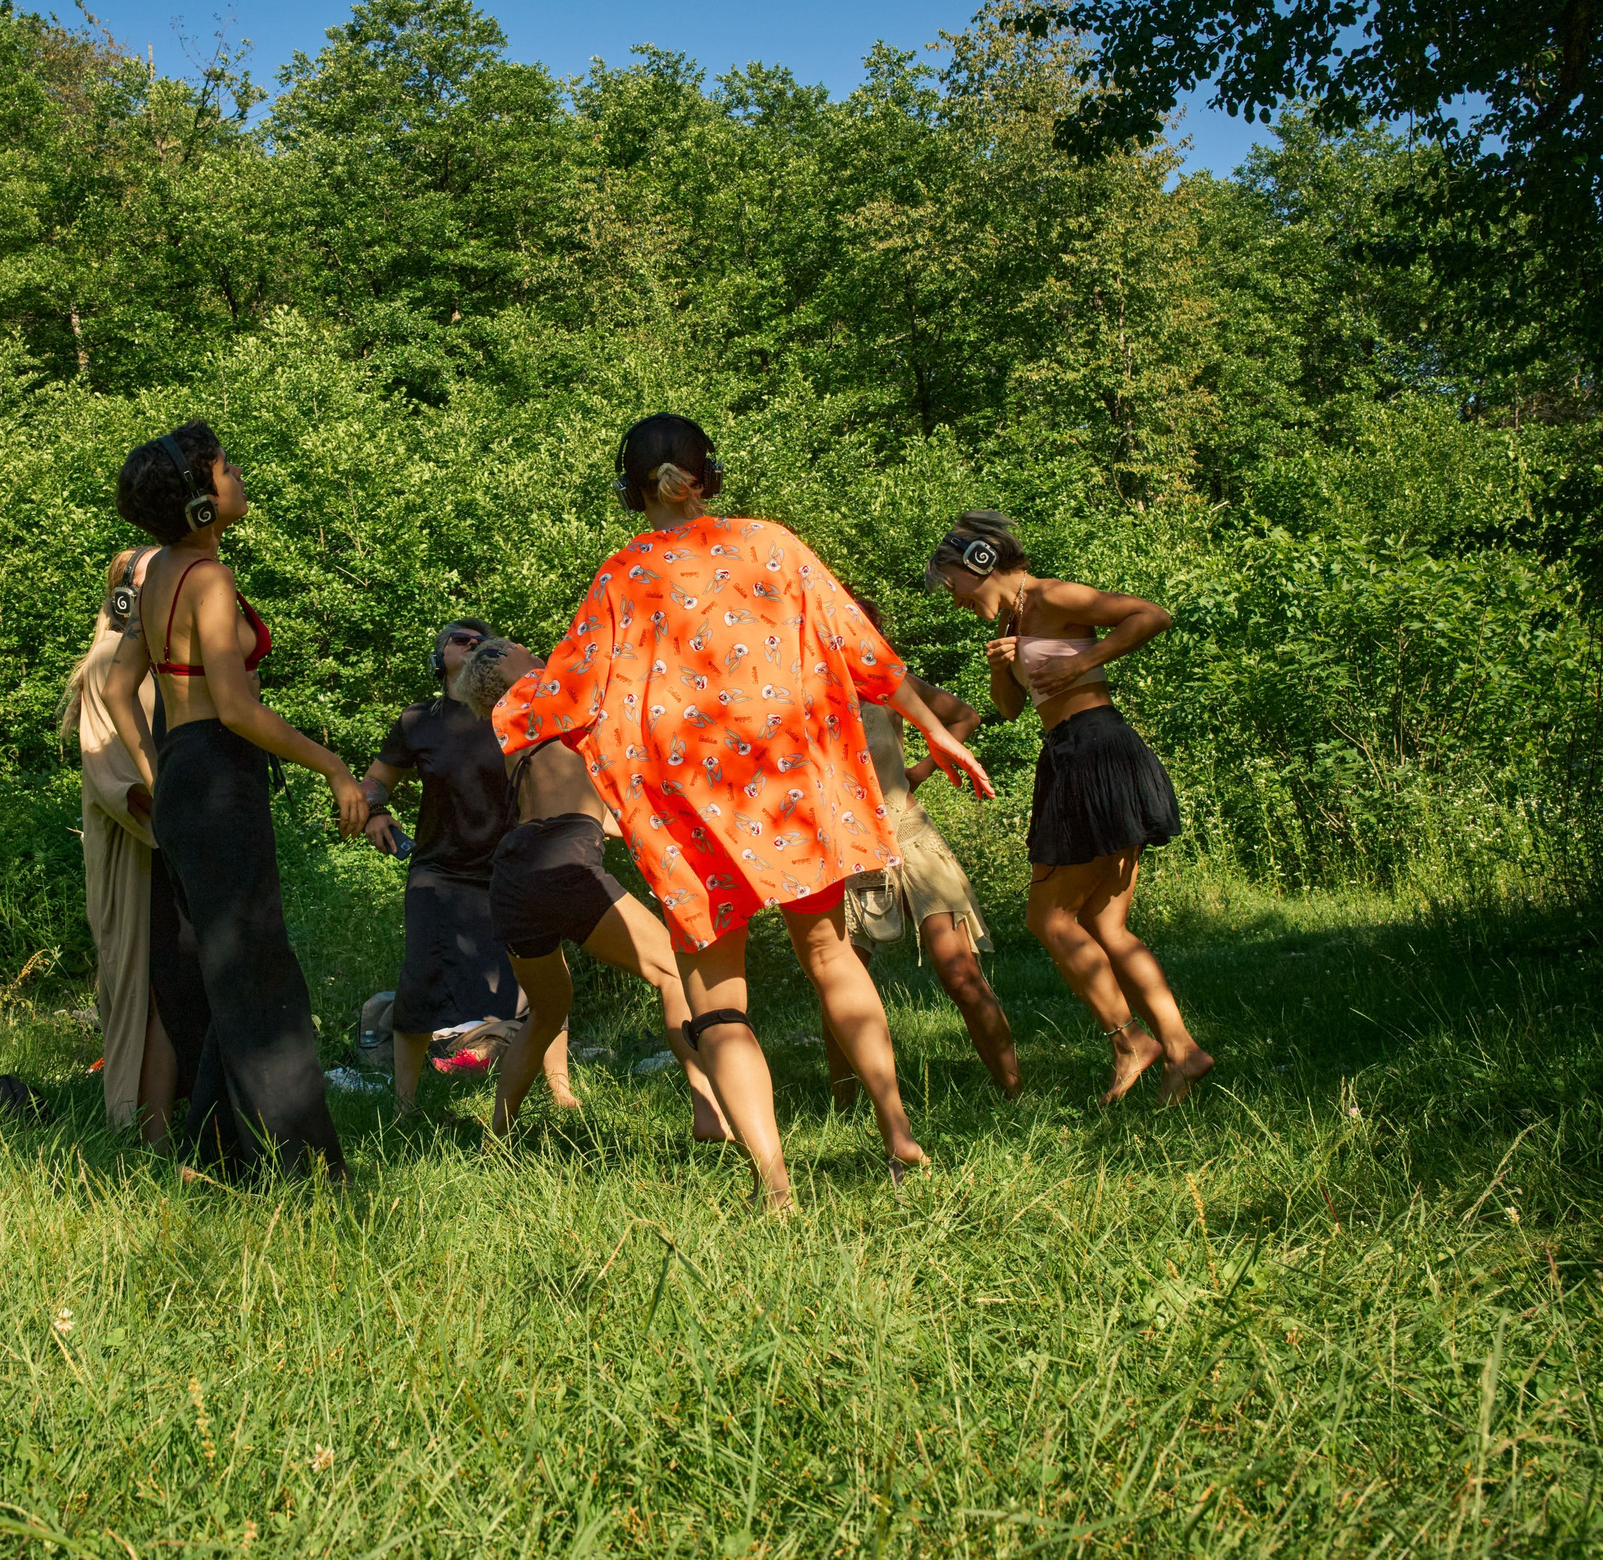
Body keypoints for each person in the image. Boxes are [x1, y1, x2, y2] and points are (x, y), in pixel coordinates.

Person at [492, 412, 995, 1211]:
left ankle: (775, 1182)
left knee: (717, 1000)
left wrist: (498, 708)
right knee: (831, 957)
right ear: (708, 475)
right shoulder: (772, 543)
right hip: (789, 793)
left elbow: (568, 691)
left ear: (631, 489)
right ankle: (897, 1129)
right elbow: (864, 651)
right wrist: (940, 731)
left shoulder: (622, 576)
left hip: (690, 815)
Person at [99, 420, 370, 1181]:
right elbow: (239, 708)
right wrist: (334, 765)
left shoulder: (154, 578)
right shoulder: (207, 580)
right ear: (198, 501)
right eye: (227, 468)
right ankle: (301, 1171)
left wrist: (160, 774)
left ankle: (211, 1155)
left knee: (229, 976)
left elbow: (119, 688)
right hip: (219, 775)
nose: (239, 474)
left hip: (190, 778)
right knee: (258, 976)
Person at [930, 510, 1213, 1106]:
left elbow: (1152, 614)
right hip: (1073, 751)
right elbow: (1008, 710)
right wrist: (1001, 667)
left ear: (978, 565)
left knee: (1050, 920)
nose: (952, 600)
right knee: (1105, 925)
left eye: (951, 585)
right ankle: (1184, 1052)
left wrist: (1082, 661)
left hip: (1095, 749)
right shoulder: (1015, 618)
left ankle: (1131, 1042)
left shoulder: (1053, 596)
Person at [462, 639, 734, 1143]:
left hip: (517, 871)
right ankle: (709, 1110)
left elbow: (601, 813)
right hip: (559, 860)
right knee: (673, 972)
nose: (527, 647)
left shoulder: (526, 727)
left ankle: (495, 1136)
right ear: (500, 667)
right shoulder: (531, 698)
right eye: (513, 647)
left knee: (548, 1009)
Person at [361, 619, 573, 1112]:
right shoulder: (418, 721)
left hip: (514, 866)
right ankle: (404, 1104)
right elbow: (377, 779)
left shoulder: (518, 714)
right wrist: (374, 810)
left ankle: (562, 1093)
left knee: (544, 977)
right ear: (439, 657)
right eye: (462, 639)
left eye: (485, 642)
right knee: (421, 978)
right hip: (439, 871)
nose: (475, 644)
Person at [827, 595, 1021, 1105]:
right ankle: (842, 1103)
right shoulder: (800, 693)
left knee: (960, 973)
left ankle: (1014, 1091)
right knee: (841, 983)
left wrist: (919, 772)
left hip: (910, 835)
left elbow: (964, 717)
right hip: (847, 853)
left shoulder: (888, 684)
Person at [58, 546, 185, 1143]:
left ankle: (176, 1120)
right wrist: (188, 824)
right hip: (146, 852)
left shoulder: (166, 658)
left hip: (174, 845)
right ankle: (144, 1133)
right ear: (127, 594)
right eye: (152, 574)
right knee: (153, 986)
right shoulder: (110, 660)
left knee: (181, 982)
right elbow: (121, 780)